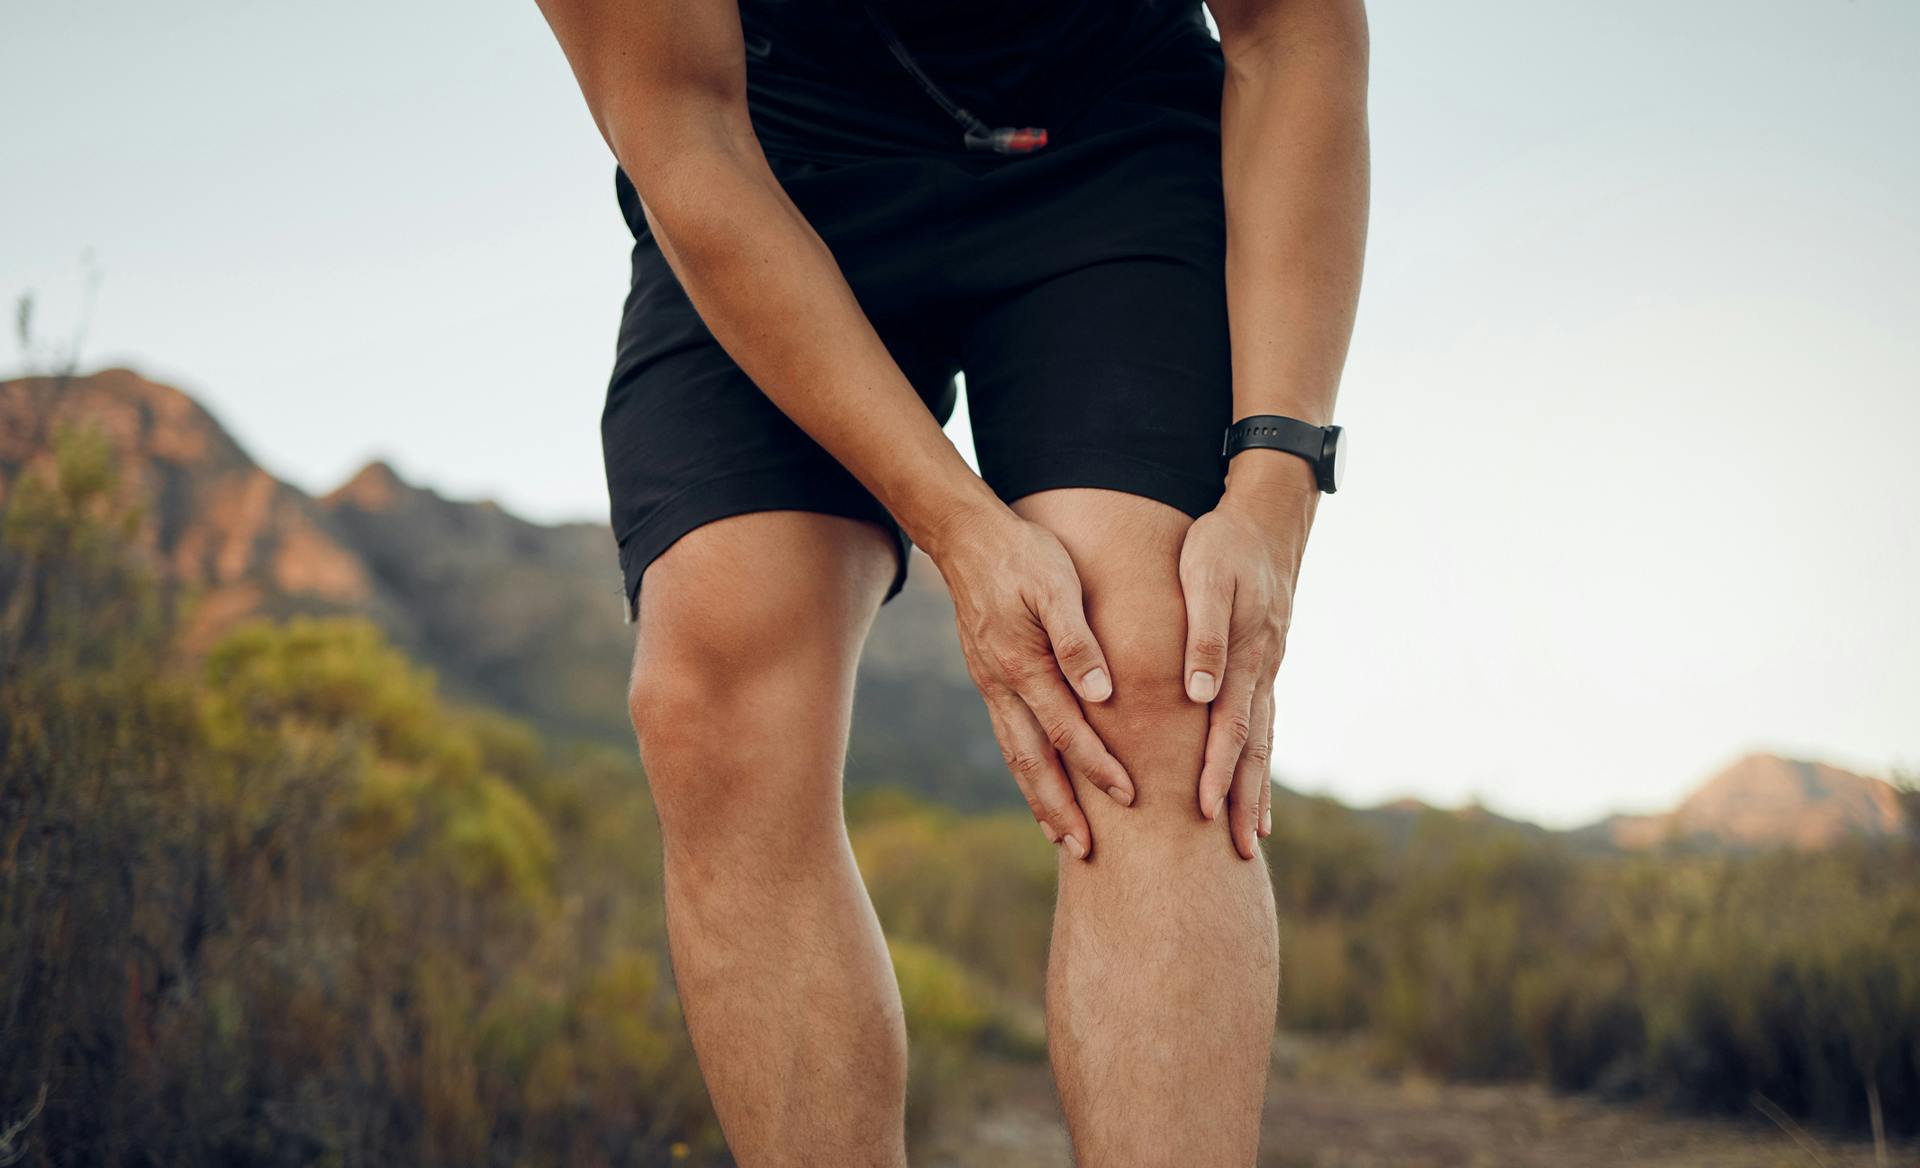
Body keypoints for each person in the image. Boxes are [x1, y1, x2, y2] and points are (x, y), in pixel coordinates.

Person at [533, 0, 1368, 1161]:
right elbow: (680, 132)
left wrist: (1277, 483)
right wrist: (959, 530)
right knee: (713, 694)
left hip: (1102, 128)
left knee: (1155, 658)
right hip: (772, 154)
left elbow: (1296, 33)